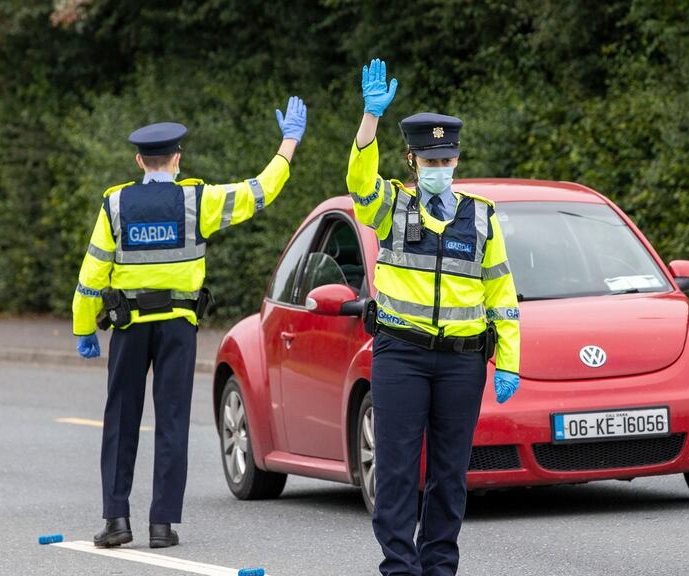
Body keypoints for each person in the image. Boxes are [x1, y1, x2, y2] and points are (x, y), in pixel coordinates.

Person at [71, 96, 307, 548]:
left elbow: (91, 273)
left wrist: (84, 328)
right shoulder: (198, 200)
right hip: (178, 326)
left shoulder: (115, 205)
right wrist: (289, 142)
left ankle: (117, 521)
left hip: (128, 324)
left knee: (121, 420)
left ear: (139, 160)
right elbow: (260, 191)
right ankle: (162, 526)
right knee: (172, 421)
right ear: (177, 158)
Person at [347, 59, 521, 576]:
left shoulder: (482, 214)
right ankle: (399, 567)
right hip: (401, 355)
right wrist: (369, 119)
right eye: (429, 159)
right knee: (398, 471)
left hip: (462, 362)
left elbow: (502, 294)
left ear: (457, 159)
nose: (438, 166)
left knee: (449, 474)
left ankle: (439, 566)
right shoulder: (390, 206)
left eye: (446, 157)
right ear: (412, 161)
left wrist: (508, 361)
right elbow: (358, 181)